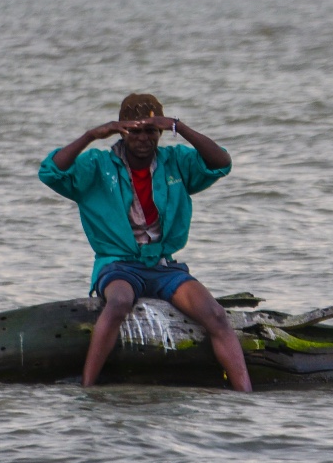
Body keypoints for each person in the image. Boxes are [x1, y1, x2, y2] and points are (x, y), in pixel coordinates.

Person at [39, 93, 252, 391]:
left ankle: (246, 396)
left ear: (160, 132)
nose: (142, 138)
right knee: (119, 302)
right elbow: (51, 172)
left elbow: (221, 163)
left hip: (163, 266)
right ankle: (88, 389)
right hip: (118, 265)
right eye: (134, 131)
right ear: (121, 131)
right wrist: (91, 135)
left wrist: (180, 126)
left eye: (150, 131)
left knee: (215, 315)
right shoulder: (98, 165)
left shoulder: (176, 162)